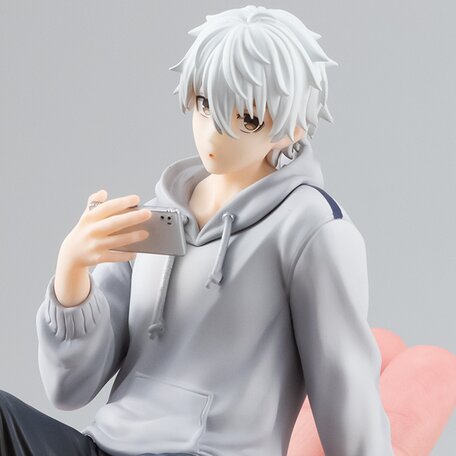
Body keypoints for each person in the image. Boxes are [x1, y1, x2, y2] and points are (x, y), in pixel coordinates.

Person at [1, 5, 455, 456]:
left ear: (293, 127)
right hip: (103, 445)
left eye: (248, 119)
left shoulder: (311, 231)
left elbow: (344, 383)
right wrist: (72, 276)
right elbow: (70, 387)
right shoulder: (157, 217)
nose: (215, 134)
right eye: (205, 104)